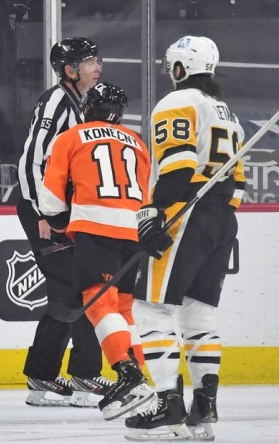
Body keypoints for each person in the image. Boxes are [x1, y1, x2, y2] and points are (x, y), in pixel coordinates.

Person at [126, 35, 243, 442]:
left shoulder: (176, 103)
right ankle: (203, 411)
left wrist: (156, 214)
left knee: (151, 310)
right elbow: (239, 184)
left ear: (180, 68)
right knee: (199, 315)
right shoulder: (227, 112)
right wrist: (214, 221)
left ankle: (167, 409)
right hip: (221, 218)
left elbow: (177, 169)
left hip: (184, 215)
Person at [38, 82, 155, 421]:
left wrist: (61, 224)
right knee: (123, 306)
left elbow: (50, 198)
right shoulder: (138, 142)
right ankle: (137, 379)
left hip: (95, 227)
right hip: (134, 230)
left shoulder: (72, 136)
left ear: (87, 107)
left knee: (98, 301)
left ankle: (126, 372)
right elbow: (145, 191)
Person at [15, 37, 117, 408]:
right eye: (91, 62)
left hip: (59, 213)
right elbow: (30, 160)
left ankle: (43, 373)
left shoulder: (77, 104)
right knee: (77, 288)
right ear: (70, 71)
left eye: (97, 59)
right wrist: (41, 212)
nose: (98, 67)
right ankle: (82, 373)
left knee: (69, 291)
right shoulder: (57, 101)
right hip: (44, 212)